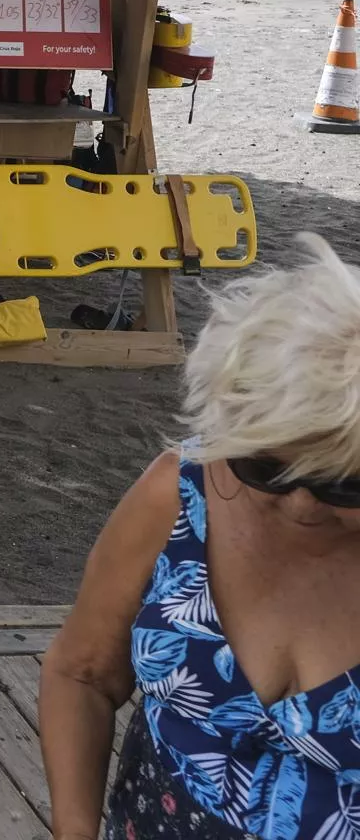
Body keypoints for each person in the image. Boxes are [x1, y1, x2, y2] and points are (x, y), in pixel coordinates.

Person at [41, 234, 360, 840]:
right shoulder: (180, 491)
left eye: (344, 486)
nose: (299, 505)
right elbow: (81, 674)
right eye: (264, 467)